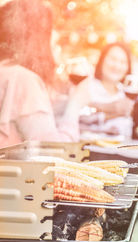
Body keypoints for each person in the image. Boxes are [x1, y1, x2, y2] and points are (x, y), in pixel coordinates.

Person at [0, 0, 89, 147]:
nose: (54, 35)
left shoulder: (6, 72)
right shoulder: (23, 79)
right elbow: (54, 153)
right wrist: (75, 104)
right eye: (50, 29)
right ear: (36, 38)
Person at [76, 42, 134, 137]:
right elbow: (73, 119)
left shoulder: (125, 94)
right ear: (102, 59)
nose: (117, 66)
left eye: (123, 62)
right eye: (113, 59)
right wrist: (108, 109)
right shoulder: (87, 86)